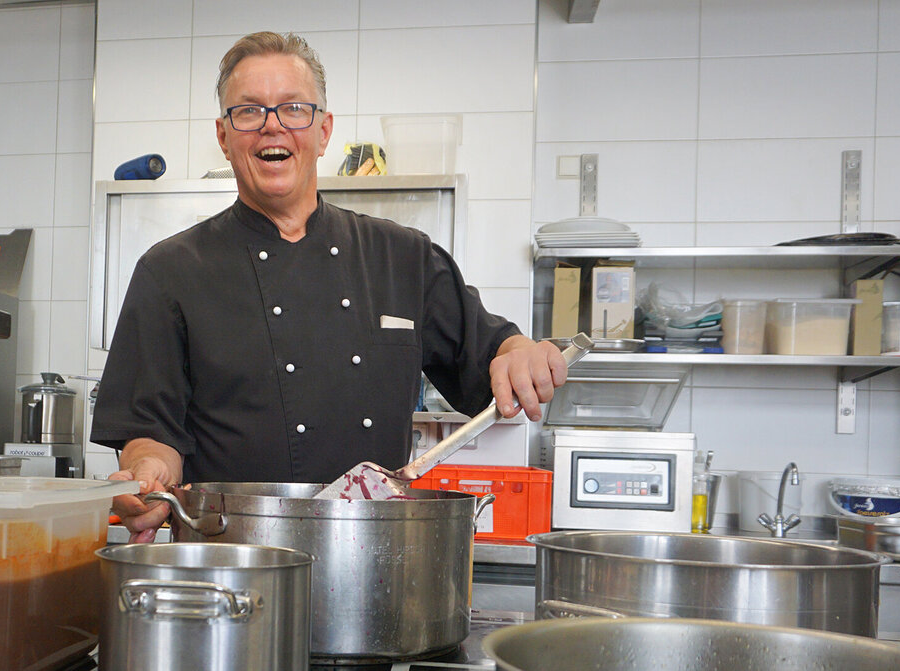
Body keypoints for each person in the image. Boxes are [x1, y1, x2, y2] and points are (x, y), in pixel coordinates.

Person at [91, 31, 569, 542]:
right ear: (224, 136)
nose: (272, 127)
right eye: (248, 112)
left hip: (373, 560)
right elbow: (152, 436)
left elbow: (492, 352)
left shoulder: (403, 256)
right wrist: (148, 474)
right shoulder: (170, 271)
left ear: (323, 131)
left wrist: (520, 352)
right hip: (228, 563)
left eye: (293, 109)